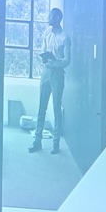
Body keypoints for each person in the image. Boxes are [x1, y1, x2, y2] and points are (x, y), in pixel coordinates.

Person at [29, 8, 70, 155]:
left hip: (57, 74)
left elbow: (67, 60)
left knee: (56, 108)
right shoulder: (47, 33)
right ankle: (37, 141)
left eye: (51, 16)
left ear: (58, 18)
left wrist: (55, 61)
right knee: (42, 108)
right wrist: (45, 57)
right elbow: (43, 49)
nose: (48, 18)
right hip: (46, 72)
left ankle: (56, 143)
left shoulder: (65, 37)